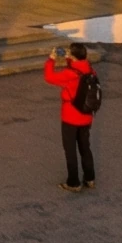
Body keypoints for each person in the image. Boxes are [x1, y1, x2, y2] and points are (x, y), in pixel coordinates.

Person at [44, 42, 98, 190]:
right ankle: (90, 178)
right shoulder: (91, 70)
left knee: (70, 150)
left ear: (73, 56)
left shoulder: (69, 74)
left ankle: (73, 182)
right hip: (86, 116)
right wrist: (70, 59)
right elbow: (77, 68)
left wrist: (51, 60)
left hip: (70, 116)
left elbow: (49, 77)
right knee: (85, 147)